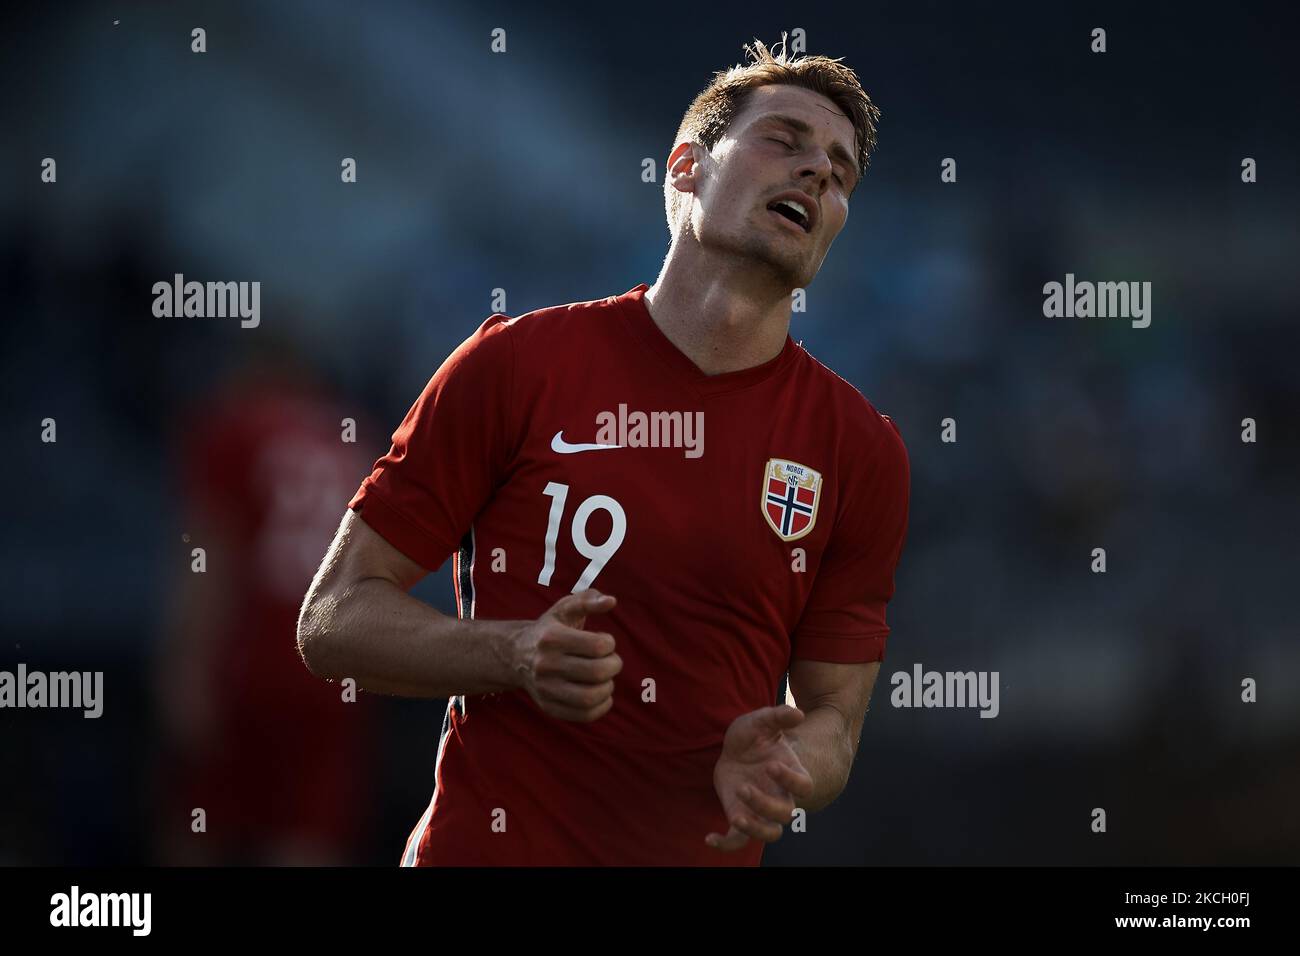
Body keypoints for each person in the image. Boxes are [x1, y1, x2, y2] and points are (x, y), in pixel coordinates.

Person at [297, 37, 909, 866]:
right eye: (784, 141)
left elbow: (836, 718)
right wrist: (512, 655)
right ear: (687, 166)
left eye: (839, 174)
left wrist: (789, 763)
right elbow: (333, 619)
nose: (818, 175)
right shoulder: (516, 365)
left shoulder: (860, 451)